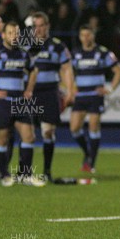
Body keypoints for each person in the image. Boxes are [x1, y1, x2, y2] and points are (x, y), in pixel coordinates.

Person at [0, 21, 43, 187]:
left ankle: (25, 174)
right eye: (10, 33)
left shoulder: (23, 54)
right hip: (2, 102)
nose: (14, 36)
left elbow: (33, 71)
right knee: (2, 139)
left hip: (20, 101)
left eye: (16, 33)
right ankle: (3, 174)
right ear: (3, 35)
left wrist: (29, 90)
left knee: (29, 136)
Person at [69, 25, 120, 173]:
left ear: (93, 35)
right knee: (74, 128)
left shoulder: (102, 52)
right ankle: (88, 152)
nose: (85, 38)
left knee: (93, 126)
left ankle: (91, 162)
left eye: (88, 35)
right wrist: (70, 87)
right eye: (82, 35)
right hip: (80, 96)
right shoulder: (75, 54)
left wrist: (109, 89)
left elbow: (119, 71)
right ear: (79, 37)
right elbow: (67, 72)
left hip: (95, 96)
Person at [28, 12, 74, 181]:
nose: (38, 29)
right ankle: (24, 172)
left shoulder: (57, 46)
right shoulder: (26, 46)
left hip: (49, 92)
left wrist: (70, 91)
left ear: (47, 26)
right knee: (28, 133)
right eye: (35, 26)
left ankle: (46, 171)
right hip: (29, 93)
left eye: (41, 25)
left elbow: (67, 69)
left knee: (48, 132)